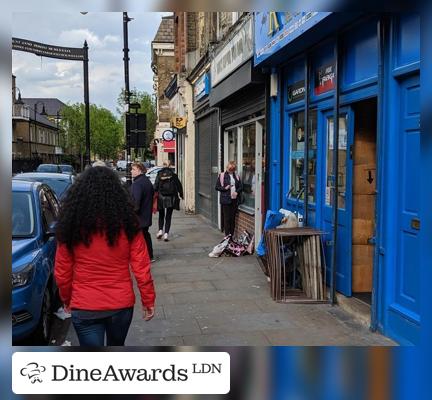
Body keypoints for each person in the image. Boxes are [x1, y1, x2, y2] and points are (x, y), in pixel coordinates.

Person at [54, 165, 155, 346]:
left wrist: (67, 299)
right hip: (120, 304)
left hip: (84, 304)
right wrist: (148, 300)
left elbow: (62, 271)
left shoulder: (71, 225)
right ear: (117, 192)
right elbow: (142, 267)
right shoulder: (129, 223)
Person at [130, 162, 155, 262]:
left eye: (133, 169)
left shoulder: (137, 184)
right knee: (145, 235)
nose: (131, 171)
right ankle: (149, 255)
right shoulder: (146, 181)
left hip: (139, 216)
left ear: (139, 170)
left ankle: (145, 256)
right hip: (146, 215)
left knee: (139, 237)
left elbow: (135, 202)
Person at [153, 161, 183, 241]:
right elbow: (179, 185)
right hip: (171, 197)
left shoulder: (159, 174)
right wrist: (181, 194)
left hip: (161, 197)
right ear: (170, 165)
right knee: (168, 216)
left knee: (161, 215)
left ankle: (160, 231)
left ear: (163, 165)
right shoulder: (173, 175)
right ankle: (166, 234)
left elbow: (155, 186)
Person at [215, 161, 243, 237]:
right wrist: (225, 188)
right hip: (225, 200)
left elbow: (240, 187)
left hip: (234, 200)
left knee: (232, 218)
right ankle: (227, 236)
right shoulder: (222, 175)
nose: (231, 171)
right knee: (227, 219)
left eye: (233, 169)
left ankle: (232, 235)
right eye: (230, 169)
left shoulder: (236, 176)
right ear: (227, 168)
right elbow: (217, 187)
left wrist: (237, 192)